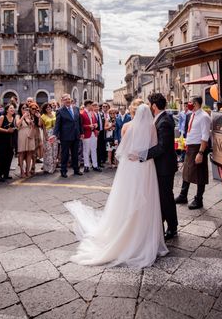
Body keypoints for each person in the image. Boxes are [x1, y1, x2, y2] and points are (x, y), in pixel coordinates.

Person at [64, 101, 168, 268]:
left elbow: (122, 150)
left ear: (133, 112)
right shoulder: (151, 127)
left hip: (130, 166)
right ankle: (145, 236)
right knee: (147, 199)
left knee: (127, 198)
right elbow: (154, 147)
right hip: (146, 166)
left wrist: (133, 155)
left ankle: (125, 231)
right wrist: (141, 155)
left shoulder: (127, 126)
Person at [145, 93, 179, 240]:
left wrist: (143, 154)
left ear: (153, 106)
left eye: (149, 105)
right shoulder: (163, 118)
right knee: (164, 197)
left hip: (164, 167)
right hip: (164, 165)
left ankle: (172, 228)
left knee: (166, 198)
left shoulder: (164, 121)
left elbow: (162, 147)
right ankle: (165, 224)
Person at [175, 96, 211, 210]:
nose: (188, 104)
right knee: (187, 172)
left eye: (190, 102)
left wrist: (200, 152)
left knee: (200, 174)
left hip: (198, 148)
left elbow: (205, 136)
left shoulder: (204, 117)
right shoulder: (192, 115)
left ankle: (198, 199)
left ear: (195, 103)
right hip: (190, 147)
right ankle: (183, 195)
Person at [53, 93, 83, 178]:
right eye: (65, 99)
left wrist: (82, 133)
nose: (67, 100)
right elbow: (57, 125)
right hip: (65, 136)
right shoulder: (59, 111)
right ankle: (63, 171)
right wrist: (55, 135)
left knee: (75, 154)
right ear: (62, 101)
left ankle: (76, 170)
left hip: (76, 135)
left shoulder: (76, 109)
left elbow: (79, 123)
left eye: (69, 99)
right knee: (65, 154)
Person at [0, 104, 16, 182]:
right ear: (7, 110)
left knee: (9, 157)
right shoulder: (2, 117)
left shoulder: (14, 118)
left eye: (13, 108)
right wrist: (6, 130)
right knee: (1, 158)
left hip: (10, 141)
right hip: (1, 140)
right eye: (11, 108)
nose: (12, 109)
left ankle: (6, 174)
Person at [80, 100, 102, 173]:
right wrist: (88, 126)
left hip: (94, 134)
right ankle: (86, 166)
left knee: (94, 150)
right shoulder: (82, 113)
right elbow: (81, 125)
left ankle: (95, 165)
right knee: (86, 150)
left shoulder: (93, 113)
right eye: (92, 105)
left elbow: (96, 122)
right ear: (88, 105)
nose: (93, 107)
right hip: (86, 134)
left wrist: (96, 125)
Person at [39, 102, 58, 174]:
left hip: (55, 133)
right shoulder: (43, 116)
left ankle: (54, 166)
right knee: (49, 151)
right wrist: (46, 136)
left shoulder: (55, 113)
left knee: (55, 150)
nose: (48, 108)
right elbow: (43, 127)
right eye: (47, 107)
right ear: (44, 109)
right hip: (48, 133)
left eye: (49, 107)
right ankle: (49, 168)